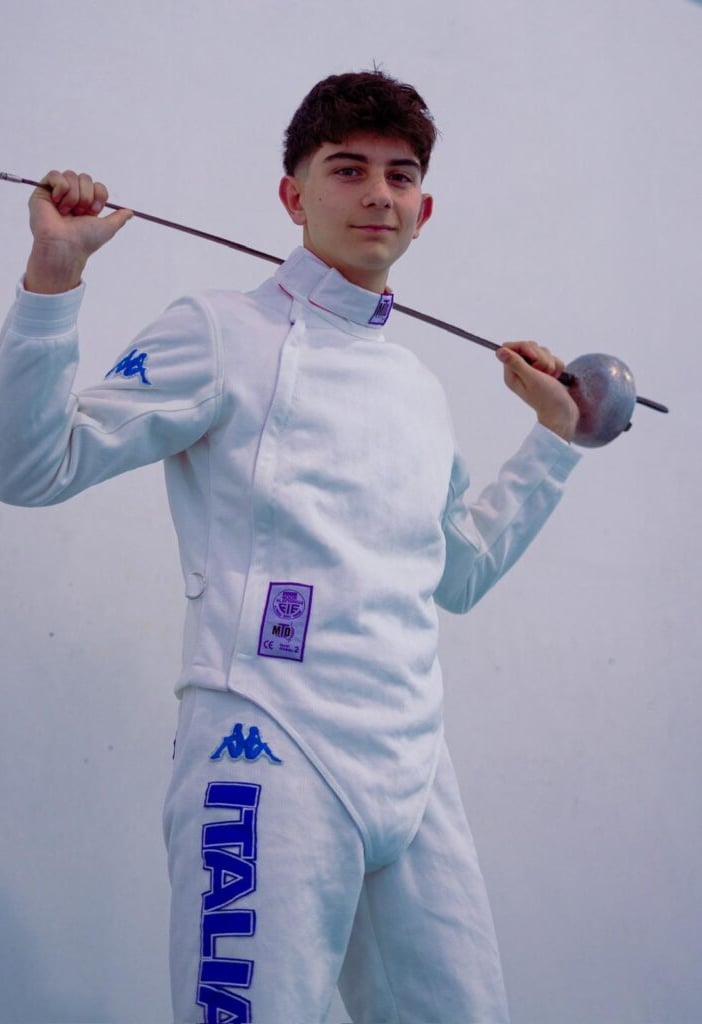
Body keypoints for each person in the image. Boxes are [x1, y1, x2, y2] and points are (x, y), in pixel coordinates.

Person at [0, 70, 581, 1024]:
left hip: (415, 767)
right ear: (293, 195)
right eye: (347, 170)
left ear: (424, 209)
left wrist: (553, 442)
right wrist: (54, 278)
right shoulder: (220, 331)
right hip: (267, 749)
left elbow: (459, 574)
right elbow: (30, 465)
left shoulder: (417, 387)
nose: (377, 194)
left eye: (399, 176)